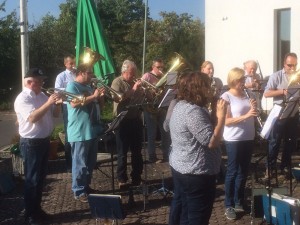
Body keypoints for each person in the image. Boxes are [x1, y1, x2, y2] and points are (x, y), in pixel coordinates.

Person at [168, 71, 227, 225]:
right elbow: (212, 142)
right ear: (198, 89)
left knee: (183, 212)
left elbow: (205, 129)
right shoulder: (193, 112)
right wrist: (222, 118)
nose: (210, 90)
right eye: (207, 87)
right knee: (197, 217)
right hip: (196, 173)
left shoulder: (181, 105)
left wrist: (214, 112)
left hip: (182, 168)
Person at [14, 68, 61, 224]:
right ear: (29, 82)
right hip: (31, 143)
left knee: (40, 179)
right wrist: (49, 102)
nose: (42, 83)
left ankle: (37, 209)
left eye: (42, 81)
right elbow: (33, 117)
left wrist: (58, 104)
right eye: (39, 80)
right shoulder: (22, 99)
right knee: (32, 180)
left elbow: (55, 114)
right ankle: (30, 214)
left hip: (44, 141)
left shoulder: (41, 95)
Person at [221, 67, 256, 220]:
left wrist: (255, 109)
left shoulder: (247, 94)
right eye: (242, 80)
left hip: (248, 137)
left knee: (243, 172)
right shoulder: (226, 96)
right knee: (232, 171)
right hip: (234, 139)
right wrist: (247, 114)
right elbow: (226, 121)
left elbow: (252, 115)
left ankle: (239, 201)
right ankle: (228, 205)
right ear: (234, 81)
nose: (244, 83)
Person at [66, 64, 105, 203]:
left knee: (90, 163)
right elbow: (74, 103)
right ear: (81, 73)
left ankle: (86, 187)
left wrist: (100, 97)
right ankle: (78, 190)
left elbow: (100, 106)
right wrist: (93, 96)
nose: (92, 76)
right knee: (79, 163)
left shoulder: (89, 87)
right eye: (89, 73)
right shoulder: (72, 86)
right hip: (79, 131)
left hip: (92, 130)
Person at [263, 52, 298, 178]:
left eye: (295, 65)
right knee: (274, 142)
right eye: (289, 65)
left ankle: (285, 166)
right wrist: (282, 91)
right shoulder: (276, 76)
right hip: (278, 113)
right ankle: (270, 168)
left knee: (290, 142)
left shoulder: (298, 76)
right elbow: (266, 93)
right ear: (284, 64)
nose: (292, 68)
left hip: (293, 113)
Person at [111, 60, 144, 188]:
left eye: (135, 73)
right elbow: (117, 97)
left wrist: (143, 92)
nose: (134, 76)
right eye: (131, 73)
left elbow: (141, 99)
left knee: (137, 152)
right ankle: (122, 179)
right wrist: (133, 89)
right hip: (122, 121)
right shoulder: (117, 82)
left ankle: (137, 177)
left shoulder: (134, 82)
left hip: (136, 119)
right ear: (124, 72)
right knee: (122, 152)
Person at [141, 58, 171, 163]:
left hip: (162, 107)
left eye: (162, 67)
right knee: (152, 133)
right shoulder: (147, 76)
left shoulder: (165, 77)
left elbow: (170, 91)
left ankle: (167, 154)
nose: (161, 69)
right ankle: (152, 156)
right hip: (150, 108)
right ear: (153, 67)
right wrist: (150, 93)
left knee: (165, 131)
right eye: (158, 67)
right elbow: (142, 91)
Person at [54, 54, 76, 172]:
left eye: (74, 63)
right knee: (69, 133)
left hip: (79, 106)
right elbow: (57, 89)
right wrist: (71, 89)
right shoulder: (61, 76)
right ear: (65, 64)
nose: (73, 65)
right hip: (67, 106)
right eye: (71, 63)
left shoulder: (78, 73)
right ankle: (69, 164)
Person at [200, 61, 224, 125]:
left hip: (215, 110)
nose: (211, 71)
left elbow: (221, 94)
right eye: (209, 69)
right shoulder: (199, 82)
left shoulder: (218, 81)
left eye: (212, 69)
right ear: (203, 69)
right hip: (203, 110)